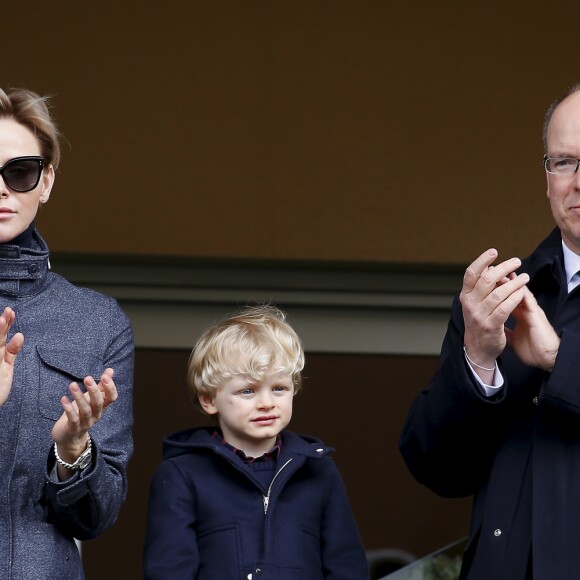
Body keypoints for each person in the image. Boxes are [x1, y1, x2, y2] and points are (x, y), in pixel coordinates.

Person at [399, 83, 580, 580]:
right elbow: (434, 467)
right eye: (564, 162)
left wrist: (559, 360)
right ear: (546, 178)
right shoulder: (495, 298)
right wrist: (476, 361)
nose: (578, 181)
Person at [0, 87, 134, 578]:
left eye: (19, 172)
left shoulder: (98, 321)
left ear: (46, 180)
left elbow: (98, 518)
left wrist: (73, 453)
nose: (3, 189)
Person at [143, 305, 368, 580]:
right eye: (247, 390)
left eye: (279, 388)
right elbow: (168, 571)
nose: (266, 403)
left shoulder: (319, 471)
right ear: (209, 399)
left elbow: (347, 567)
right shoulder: (181, 475)